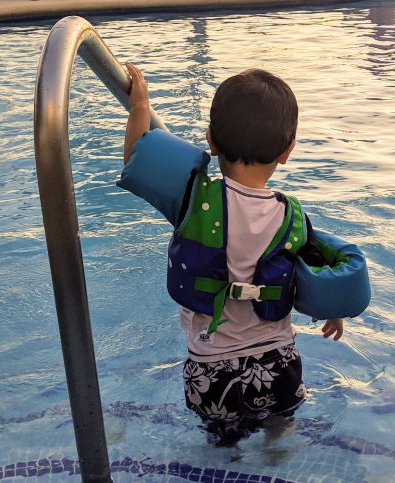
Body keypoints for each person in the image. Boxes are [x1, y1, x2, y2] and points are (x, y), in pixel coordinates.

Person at [117, 67, 354, 445]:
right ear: (287, 151)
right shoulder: (291, 215)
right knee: (281, 423)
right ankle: (278, 453)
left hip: (212, 368)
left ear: (210, 141)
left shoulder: (192, 200)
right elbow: (318, 270)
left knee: (222, 440)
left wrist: (140, 104)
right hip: (280, 364)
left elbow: (136, 160)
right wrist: (334, 308)